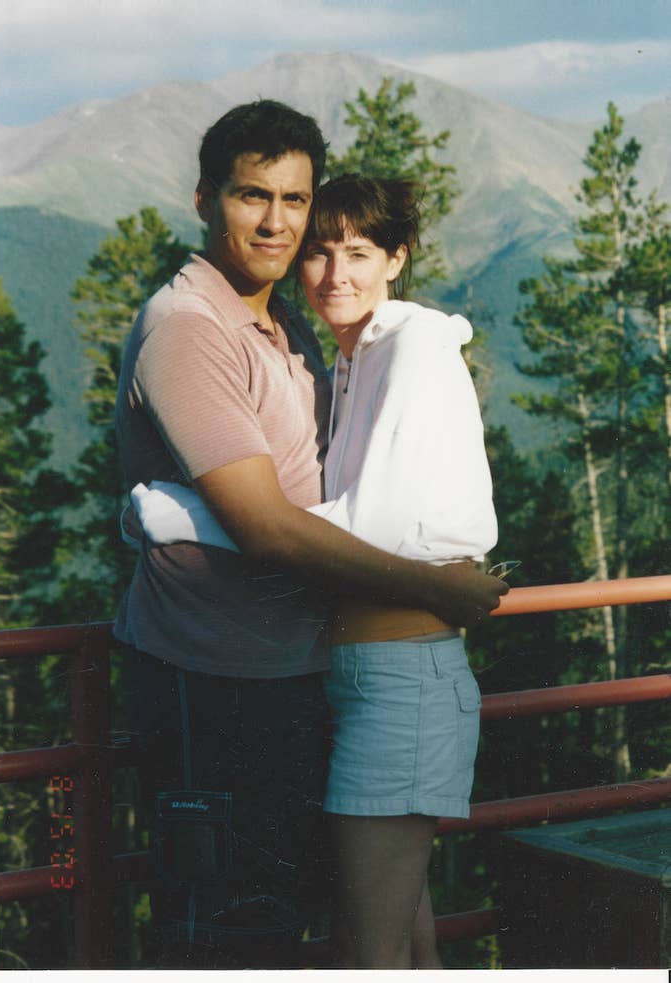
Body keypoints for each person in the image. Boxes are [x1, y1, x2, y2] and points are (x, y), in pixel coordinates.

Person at [115, 100, 507, 969]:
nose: (279, 222)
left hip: (293, 679)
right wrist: (440, 587)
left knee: (325, 928)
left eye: (297, 200)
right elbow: (266, 527)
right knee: (226, 935)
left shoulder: (290, 327)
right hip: (211, 684)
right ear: (205, 198)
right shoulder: (192, 329)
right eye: (254, 195)